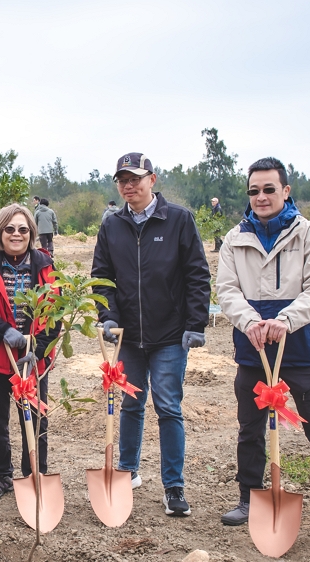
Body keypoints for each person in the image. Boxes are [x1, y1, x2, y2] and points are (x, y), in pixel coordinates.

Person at [215, 156, 310, 548]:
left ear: (285, 191)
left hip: (300, 350)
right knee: (250, 430)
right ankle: (248, 498)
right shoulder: (234, 238)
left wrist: (285, 319)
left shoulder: (308, 234)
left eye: (268, 189)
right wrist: (249, 322)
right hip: (254, 351)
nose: (261, 197)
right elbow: (227, 290)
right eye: (254, 191)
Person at [91, 152, 211, 516]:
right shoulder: (112, 226)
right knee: (130, 404)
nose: (129, 186)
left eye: (136, 179)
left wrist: (195, 324)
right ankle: (128, 470)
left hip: (170, 336)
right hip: (129, 337)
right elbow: (102, 277)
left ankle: (173, 486)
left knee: (168, 407)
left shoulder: (178, 220)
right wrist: (108, 317)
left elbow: (197, 275)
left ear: (152, 180)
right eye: (122, 180)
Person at [0, 204, 59, 499]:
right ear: (0, 232)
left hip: (33, 358)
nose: (16, 234)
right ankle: (2, 475)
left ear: (31, 233)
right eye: (10, 229)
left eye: (23, 229)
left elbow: (55, 311)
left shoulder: (46, 266)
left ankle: (35, 473)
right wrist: (3, 330)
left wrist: (38, 348)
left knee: (36, 417)